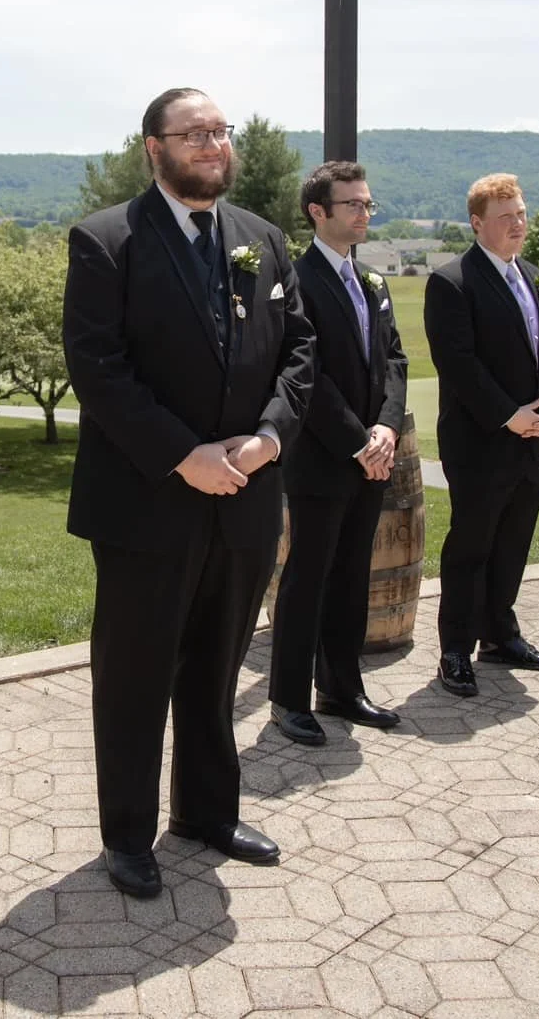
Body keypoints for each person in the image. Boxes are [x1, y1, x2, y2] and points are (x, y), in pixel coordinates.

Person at [63, 88, 315, 899]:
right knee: (135, 678)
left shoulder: (264, 240)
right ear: (153, 148)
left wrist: (270, 436)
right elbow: (98, 369)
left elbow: (302, 352)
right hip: (147, 503)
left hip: (246, 495)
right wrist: (183, 456)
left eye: (220, 131)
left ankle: (206, 813)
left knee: (216, 670)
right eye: (194, 133)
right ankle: (127, 835)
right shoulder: (106, 242)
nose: (213, 144)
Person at [268, 161, 407, 746]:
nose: (362, 214)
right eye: (351, 204)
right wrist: (357, 441)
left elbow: (395, 361)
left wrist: (386, 428)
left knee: (355, 573)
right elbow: (307, 376)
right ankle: (288, 699)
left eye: (368, 204)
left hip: (372, 455)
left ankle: (342, 689)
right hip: (323, 459)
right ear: (317, 212)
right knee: (309, 577)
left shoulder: (372, 282)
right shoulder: (294, 283)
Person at [424, 174, 539, 692]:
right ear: (478, 222)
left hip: (532, 439)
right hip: (480, 441)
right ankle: (455, 650)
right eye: (506, 217)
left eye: (523, 214)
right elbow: (459, 364)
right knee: (472, 545)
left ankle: (500, 634)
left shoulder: (532, 276)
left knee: (513, 541)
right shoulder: (452, 281)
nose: (519, 225)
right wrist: (510, 415)